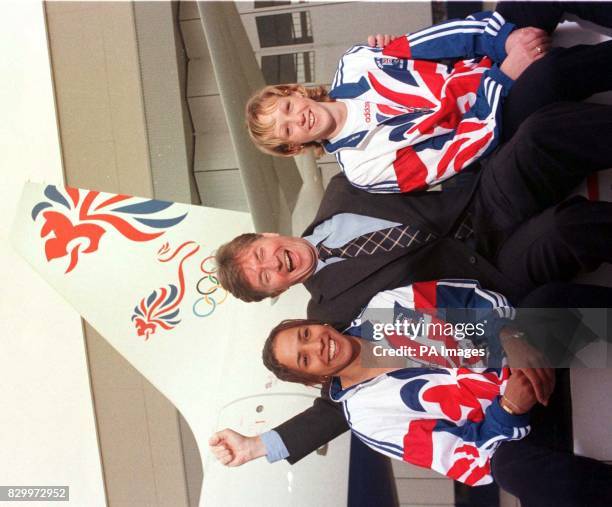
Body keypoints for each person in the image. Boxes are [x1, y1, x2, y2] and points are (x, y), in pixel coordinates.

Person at [213, 101, 612, 467]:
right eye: (266, 278)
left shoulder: (341, 189)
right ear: (277, 291)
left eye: (261, 255)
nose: (274, 265)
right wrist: (260, 445)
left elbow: (406, 140)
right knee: (561, 231)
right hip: (494, 277)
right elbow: (339, 399)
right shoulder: (328, 316)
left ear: (266, 236)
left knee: (538, 134)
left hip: (479, 203)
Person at [212, 281, 612, 506]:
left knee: (545, 302)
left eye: (306, 334)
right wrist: (510, 409)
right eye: (305, 358)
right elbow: (467, 458)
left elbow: (474, 301)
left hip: (530, 356)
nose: (318, 346)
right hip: (516, 421)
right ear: (310, 379)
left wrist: (511, 336)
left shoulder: (384, 310)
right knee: (514, 472)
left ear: (314, 324)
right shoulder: (367, 416)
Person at [246, 4, 612, 193]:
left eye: (288, 109)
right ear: (295, 147)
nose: (298, 119)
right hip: (495, 124)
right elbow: (456, 154)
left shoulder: (357, 61)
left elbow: (446, 39)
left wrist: (505, 43)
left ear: (294, 91)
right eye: (288, 130)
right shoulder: (361, 168)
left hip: (485, 66)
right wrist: (505, 75)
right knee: (552, 73)